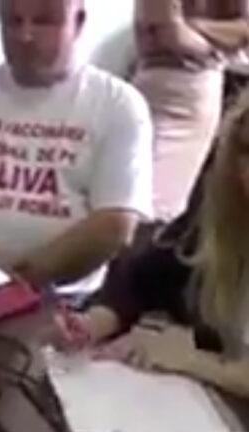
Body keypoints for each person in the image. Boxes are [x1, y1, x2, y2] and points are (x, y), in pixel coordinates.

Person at [0, 0, 154, 296]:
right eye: (13, 21)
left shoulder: (118, 105)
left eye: (44, 21)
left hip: (59, 295)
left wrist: (22, 280)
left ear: (78, 22)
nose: (25, 35)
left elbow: (114, 225)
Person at [55, 90, 249, 399]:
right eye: (246, 150)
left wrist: (193, 361)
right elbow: (147, 278)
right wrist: (96, 322)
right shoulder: (221, 216)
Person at [132, 0, 249, 222]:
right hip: (160, 86)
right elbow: (171, 34)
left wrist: (192, 25)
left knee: (166, 202)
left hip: (200, 91)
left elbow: (244, 32)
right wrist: (218, 48)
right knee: (136, 198)